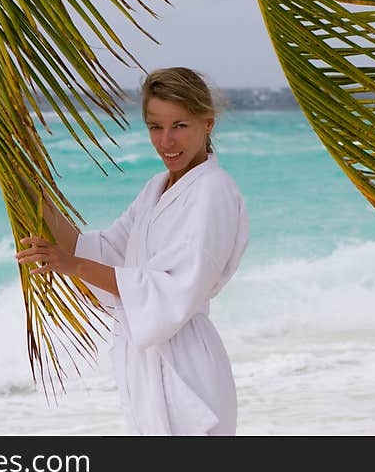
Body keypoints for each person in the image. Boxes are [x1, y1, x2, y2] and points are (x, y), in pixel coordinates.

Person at [15, 67, 250, 435]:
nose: (167, 141)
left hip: (186, 368)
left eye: (180, 125)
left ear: (208, 122)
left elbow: (173, 289)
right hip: (148, 365)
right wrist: (30, 186)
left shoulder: (212, 191)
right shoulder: (158, 187)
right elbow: (103, 251)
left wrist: (72, 265)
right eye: (155, 127)